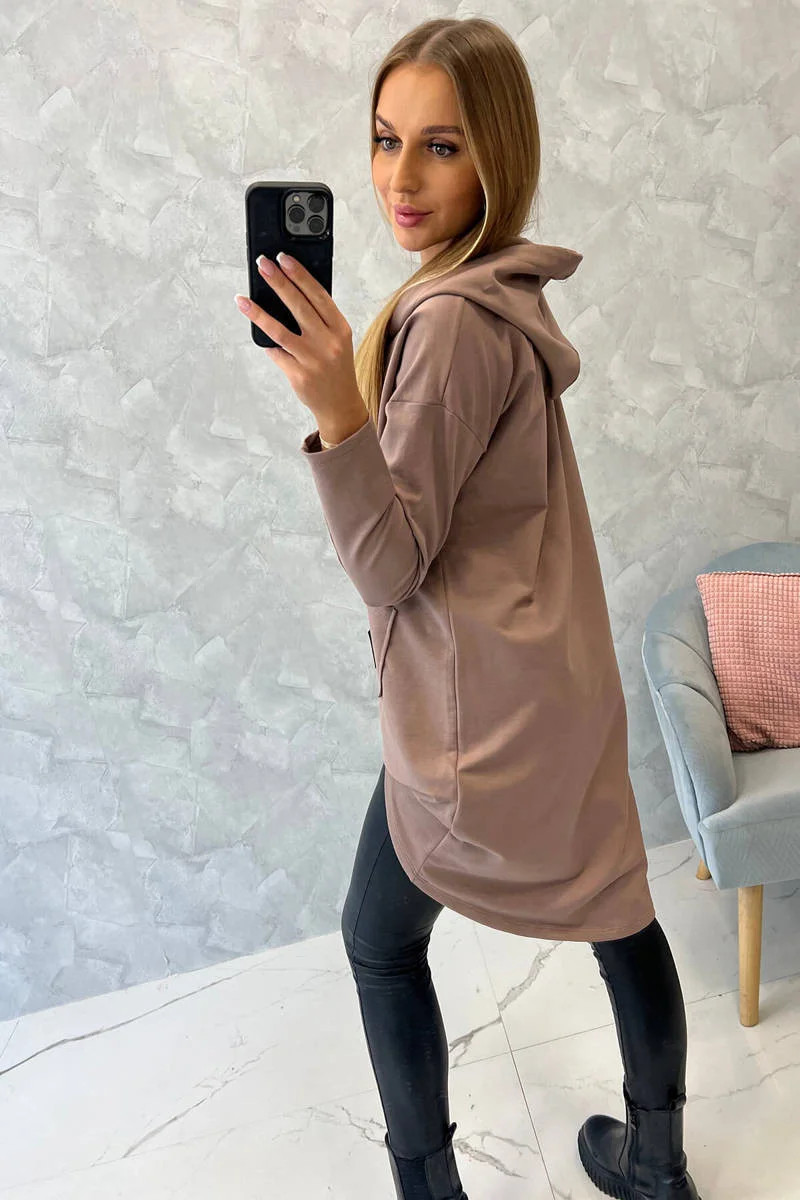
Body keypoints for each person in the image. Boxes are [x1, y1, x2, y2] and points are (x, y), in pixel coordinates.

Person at [304, 17, 702, 1200]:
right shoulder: (501, 292)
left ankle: (427, 1188)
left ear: (496, 157)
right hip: (556, 689)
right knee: (619, 914)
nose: (399, 177)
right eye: (385, 139)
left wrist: (333, 408)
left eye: (440, 146)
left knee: (377, 941)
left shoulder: (447, 323)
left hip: (474, 714)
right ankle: (656, 1166)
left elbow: (389, 565)